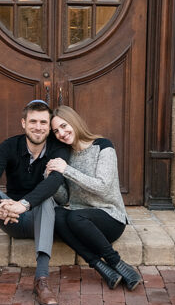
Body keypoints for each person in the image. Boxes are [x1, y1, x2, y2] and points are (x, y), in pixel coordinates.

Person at [0, 100, 71, 305]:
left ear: (49, 126)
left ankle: (41, 280)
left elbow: (54, 183)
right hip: (13, 219)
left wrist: (24, 204)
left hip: (43, 221)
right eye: (33, 121)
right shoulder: (9, 146)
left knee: (47, 199)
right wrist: (0, 206)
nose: (38, 127)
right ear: (23, 123)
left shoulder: (59, 149)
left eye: (43, 122)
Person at [47, 105, 141, 290]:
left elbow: (103, 187)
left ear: (74, 122)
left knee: (74, 216)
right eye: (56, 131)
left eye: (64, 126)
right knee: (56, 214)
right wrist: (51, 176)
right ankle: (100, 266)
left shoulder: (103, 146)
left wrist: (67, 170)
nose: (62, 133)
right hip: (81, 222)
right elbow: (64, 198)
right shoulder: (65, 156)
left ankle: (116, 262)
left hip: (110, 218)